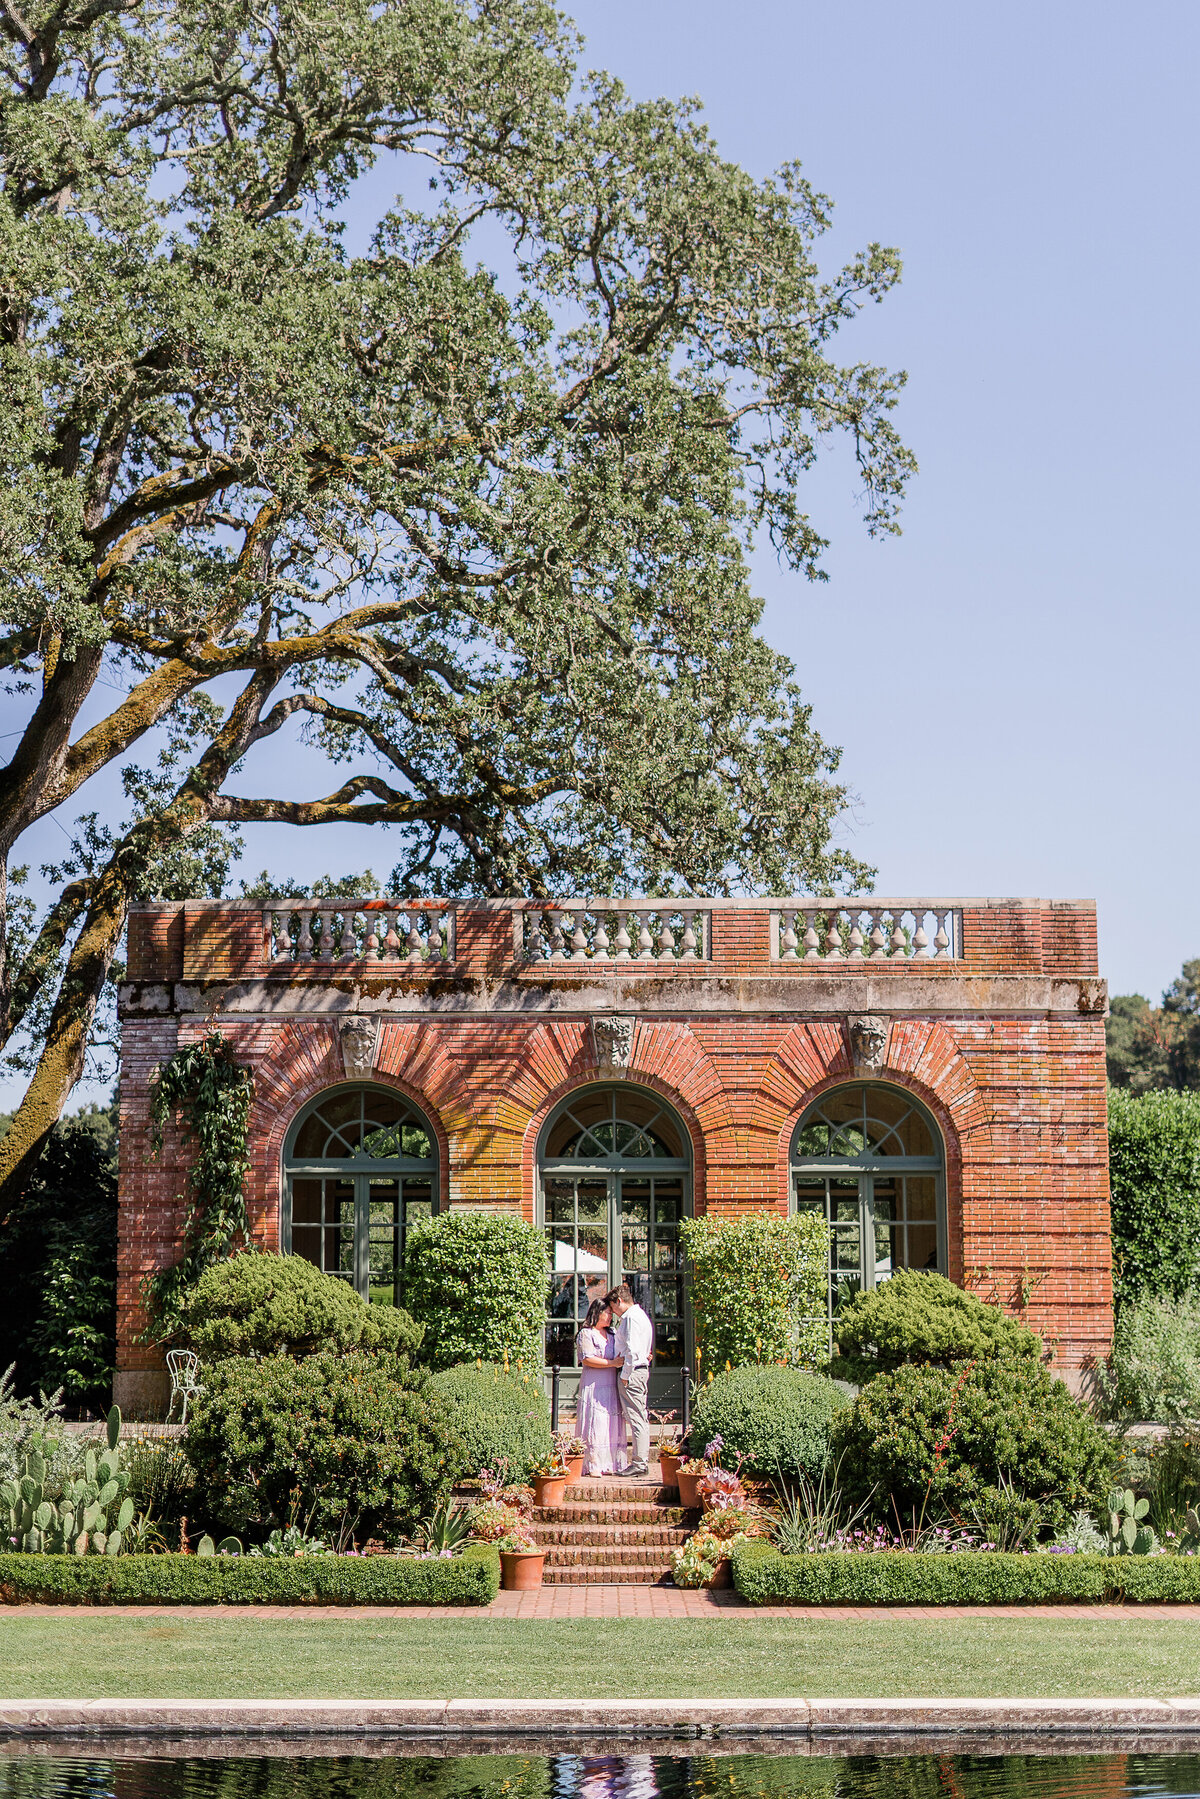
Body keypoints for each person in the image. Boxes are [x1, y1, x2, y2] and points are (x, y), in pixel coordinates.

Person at [574, 1299, 627, 1476]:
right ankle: (593, 1463)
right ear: (597, 1313)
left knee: (611, 1423)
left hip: (612, 1385)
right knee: (596, 1422)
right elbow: (587, 1358)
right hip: (594, 1385)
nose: (611, 1316)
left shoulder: (612, 1334)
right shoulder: (586, 1334)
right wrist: (612, 1363)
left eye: (612, 1313)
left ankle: (612, 1463)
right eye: (608, 1313)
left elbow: (623, 1352)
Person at [608, 1282, 653, 1477]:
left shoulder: (631, 1318)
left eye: (612, 1308)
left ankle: (640, 1463)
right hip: (639, 1370)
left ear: (619, 1301)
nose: (613, 1312)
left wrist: (625, 1376)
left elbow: (633, 1351)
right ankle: (640, 1461)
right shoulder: (640, 1316)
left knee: (636, 1417)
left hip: (633, 1373)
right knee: (639, 1416)